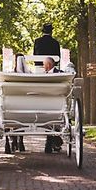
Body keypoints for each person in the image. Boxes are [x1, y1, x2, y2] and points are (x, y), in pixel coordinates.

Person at [34, 24, 62, 153]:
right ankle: (52, 140)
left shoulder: (37, 42)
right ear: (51, 31)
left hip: (39, 71)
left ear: (42, 31)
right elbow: (58, 60)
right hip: (52, 73)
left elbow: (35, 59)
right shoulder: (55, 43)